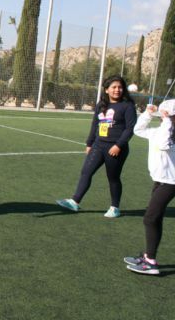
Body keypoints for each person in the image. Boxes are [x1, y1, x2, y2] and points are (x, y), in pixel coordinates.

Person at [57, 75, 137, 218]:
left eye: (120, 87)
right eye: (113, 87)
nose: (117, 90)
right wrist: (89, 143)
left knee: (113, 177)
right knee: (86, 172)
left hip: (115, 149)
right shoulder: (101, 105)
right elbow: (95, 124)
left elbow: (130, 128)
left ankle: (115, 207)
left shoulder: (128, 106)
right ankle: (75, 201)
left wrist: (118, 145)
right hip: (98, 146)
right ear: (106, 90)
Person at [124, 100, 175, 275]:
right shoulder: (160, 130)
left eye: (165, 115)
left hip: (171, 182)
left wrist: (168, 120)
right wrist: (147, 114)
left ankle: (150, 262)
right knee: (156, 217)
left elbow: (164, 144)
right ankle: (148, 256)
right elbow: (138, 130)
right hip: (160, 180)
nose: (162, 118)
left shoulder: (169, 133)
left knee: (150, 218)